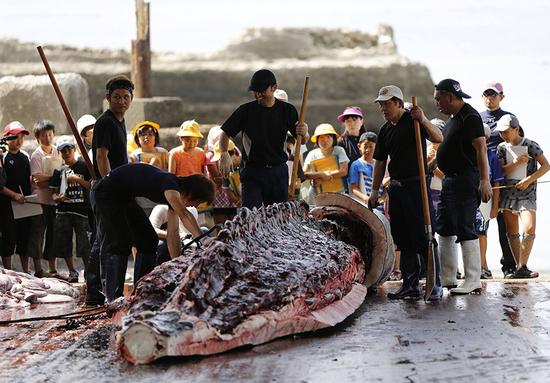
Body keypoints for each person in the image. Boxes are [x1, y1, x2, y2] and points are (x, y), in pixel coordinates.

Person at [91, 163, 215, 302]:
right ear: (191, 193)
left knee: (148, 240)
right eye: (196, 202)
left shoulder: (173, 196)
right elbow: (184, 214)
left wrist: (179, 264)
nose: (194, 206)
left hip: (124, 197)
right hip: (105, 192)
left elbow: (172, 234)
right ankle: (113, 298)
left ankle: (141, 292)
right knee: (120, 242)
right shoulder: (171, 184)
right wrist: (203, 240)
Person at [367, 85, 443, 300]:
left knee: (424, 235)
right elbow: (380, 161)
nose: (383, 108)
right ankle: (410, 285)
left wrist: (424, 119)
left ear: (399, 103)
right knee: (404, 237)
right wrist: (375, 190)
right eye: (381, 104)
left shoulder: (413, 121)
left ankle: (434, 282)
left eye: (387, 103)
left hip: (417, 184)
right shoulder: (385, 130)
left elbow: (438, 138)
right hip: (397, 187)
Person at [433, 78, 492, 295]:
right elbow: (449, 148)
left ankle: (473, 279)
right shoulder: (452, 119)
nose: (437, 103)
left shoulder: (470, 116)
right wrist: (433, 163)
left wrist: (484, 180)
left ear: (450, 96)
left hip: (466, 179)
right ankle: (447, 277)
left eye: (439, 99)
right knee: (445, 227)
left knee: (466, 227)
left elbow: (481, 149)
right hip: (448, 180)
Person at [217, 69, 308, 209]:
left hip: (278, 171)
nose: (258, 95)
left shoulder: (288, 110)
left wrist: (305, 132)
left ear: (274, 88)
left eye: (261, 91)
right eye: (255, 91)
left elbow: (302, 139)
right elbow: (225, 133)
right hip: (253, 172)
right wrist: (223, 154)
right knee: (251, 215)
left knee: (278, 217)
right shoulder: (245, 111)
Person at [87, 74, 134, 305]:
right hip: (106, 188)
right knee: (107, 241)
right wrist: (109, 182)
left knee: (101, 239)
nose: (122, 101)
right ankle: (106, 294)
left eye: (126, 97)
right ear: (108, 98)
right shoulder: (105, 121)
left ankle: (94, 291)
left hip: (113, 188)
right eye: (117, 97)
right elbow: (101, 155)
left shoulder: (120, 121)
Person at [495, 115, 549, 278]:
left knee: (529, 228)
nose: (503, 135)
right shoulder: (501, 148)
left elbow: (546, 166)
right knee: (512, 231)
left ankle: (522, 265)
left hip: (528, 193)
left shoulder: (531, 145)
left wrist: (528, 180)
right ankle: (520, 268)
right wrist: (517, 163)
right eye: (501, 132)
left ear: (516, 129)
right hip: (508, 193)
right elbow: (501, 172)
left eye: (506, 131)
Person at [479, 82, 518, 278]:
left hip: (504, 177)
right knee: (479, 226)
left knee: (506, 225)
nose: (490, 98)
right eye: (486, 95)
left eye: (493, 95)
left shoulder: (508, 117)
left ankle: (509, 267)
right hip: (482, 177)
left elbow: (519, 144)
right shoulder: (476, 118)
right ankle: (481, 267)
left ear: (501, 96)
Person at [0, 122, 44, 276]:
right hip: (7, 205)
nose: (19, 140)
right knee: (8, 238)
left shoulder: (25, 156)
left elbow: (29, 178)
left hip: (24, 204)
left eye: (21, 137)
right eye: (15, 137)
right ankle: (8, 273)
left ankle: (26, 273)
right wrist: (13, 195)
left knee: (24, 239)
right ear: (6, 138)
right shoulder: (2, 157)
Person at [49, 136, 92, 282]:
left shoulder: (84, 166)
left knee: (84, 244)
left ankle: (88, 272)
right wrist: (58, 198)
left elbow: (92, 186)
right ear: (60, 153)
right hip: (63, 211)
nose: (67, 152)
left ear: (74, 150)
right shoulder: (58, 171)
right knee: (64, 243)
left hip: (82, 210)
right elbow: (53, 195)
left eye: (69, 149)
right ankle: (72, 271)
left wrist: (78, 180)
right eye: (63, 150)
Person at [28, 120, 60, 277]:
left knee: (53, 234)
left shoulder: (57, 151)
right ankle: (38, 269)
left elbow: (58, 174)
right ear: (37, 137)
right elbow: (37, 178)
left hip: (54, 200)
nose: (47, 138)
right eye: (43, 135)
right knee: (38, 234)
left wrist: (48, 178)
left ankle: (52, 268)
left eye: (50, 134)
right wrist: (54, 177)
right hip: (39, 201)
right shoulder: (36, 155)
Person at [475, 124, 504, 279]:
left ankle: (482, 265)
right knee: (468, 232)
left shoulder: (491, 156)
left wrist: (495, 206)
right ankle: (472, 266)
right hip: (467, 198)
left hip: (485, 200)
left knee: (481, 231)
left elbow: (497, 183)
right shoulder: (465, 153)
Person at [303, 124, 349, 204]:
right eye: (321, 137)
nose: (325, 140)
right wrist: (321, 174)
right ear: (317, 139)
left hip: (336, 194)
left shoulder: (339, 151)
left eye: (328, 137)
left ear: (333, 138)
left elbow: (344, 171)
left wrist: (325, 176)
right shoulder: (312, 154)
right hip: (316, 195)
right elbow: (304, 174)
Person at [348, 131, 384, 212]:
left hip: (380, 205)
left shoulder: (379, 164)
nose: (368, 150)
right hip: (364, 204)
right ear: (359, 146)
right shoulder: (356, 165)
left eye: (371, 146)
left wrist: (383, 198)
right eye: (365, 146)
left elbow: (384, 186)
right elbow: (354, 188)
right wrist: (367, 199)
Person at [336, 106, 366, 188]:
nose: (351, 123)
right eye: (348, 121)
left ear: (362, 121)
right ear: (344, 124)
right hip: (349, 185)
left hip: (368, 182)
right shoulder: (340, 142)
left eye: (354, 119)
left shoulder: (368, 140)